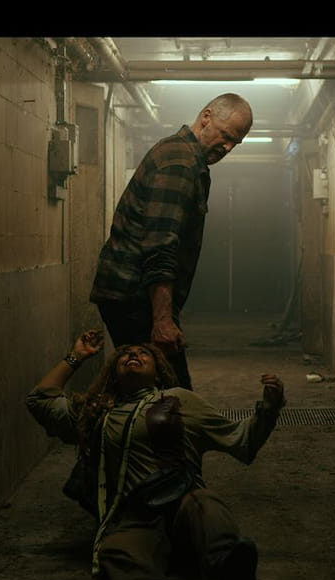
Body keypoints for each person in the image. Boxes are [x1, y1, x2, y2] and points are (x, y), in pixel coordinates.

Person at [25, 328, 284, 580]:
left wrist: (269, 408)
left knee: (207, 504)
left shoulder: (181, 400)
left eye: (143, 353)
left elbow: (242, 440)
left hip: (183, 505)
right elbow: (40, 400)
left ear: (158, 374)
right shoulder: (96, 412)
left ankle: (230, 577)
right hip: (135, 516)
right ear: (113, 374)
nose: (133, 354)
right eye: (124, 354)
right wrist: (77, 356)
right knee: (115, 550)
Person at [89, 93, 254, 390]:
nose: (228, 147)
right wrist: (163, 320)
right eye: (227, 136)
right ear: (206, 117)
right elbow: (160, 245)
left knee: (150, 391)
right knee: (171, 393)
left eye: (236, 143)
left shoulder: (186, 159)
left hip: (131, 295)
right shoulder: (179, 162)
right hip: (135, 298)